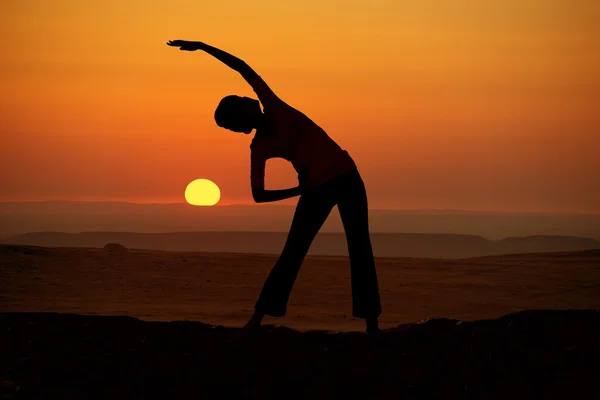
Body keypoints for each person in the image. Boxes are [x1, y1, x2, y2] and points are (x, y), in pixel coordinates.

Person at [167, 40, 382, 334]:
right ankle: (257, 320)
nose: (247, 102)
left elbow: (242, 66)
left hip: (346, 177)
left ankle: (372, 325)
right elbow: (258, 196)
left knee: (359, 247)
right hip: (316, 190)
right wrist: (299, 191)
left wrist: (204, 47)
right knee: (293, 252)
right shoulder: (260, 147)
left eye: (243, 103)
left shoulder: (275, 107)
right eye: (237, 117)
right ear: (241, 118)